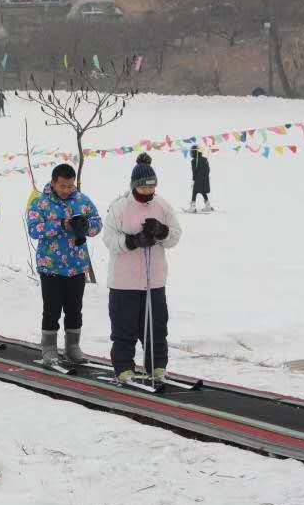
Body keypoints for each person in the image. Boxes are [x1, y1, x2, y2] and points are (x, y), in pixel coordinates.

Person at [102, 153, 182, 383]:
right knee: (124, 326)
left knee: (156, 326)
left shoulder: (162, 206)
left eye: (152, 186)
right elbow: (109, 239)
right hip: (124, 281)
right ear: (135, 185)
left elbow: (175, 236)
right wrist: (132, 241)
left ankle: (156, 365)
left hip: (154, 280)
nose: (149, 191)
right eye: (145, 187)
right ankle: (124, 367)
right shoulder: (119, 207)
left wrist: (162, 232)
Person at [26, 163, 103, 365]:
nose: (67, 190)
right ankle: (49, 348)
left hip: (76, 265)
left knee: (74, 308)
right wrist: (61, 225)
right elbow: (34, 230)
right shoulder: (40, 203)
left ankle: (73, 347)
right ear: (53, 183)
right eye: (63, 186)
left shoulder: (82, 201)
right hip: (51, 266)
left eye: (70, 186)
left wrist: (85, 226)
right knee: (52, 308)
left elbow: (97, 224)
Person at [189, 145, 212, 212]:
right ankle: (208, 205)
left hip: (198, 180)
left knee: (194, 192)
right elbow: (208, 170)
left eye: (192, 152)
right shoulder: (205, 159)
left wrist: (194, 179)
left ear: (194, 152)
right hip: (205, 179)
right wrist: (205, 177)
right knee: (203, 191)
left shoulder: (193, 161)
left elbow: (194, 171)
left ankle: (193, 207)